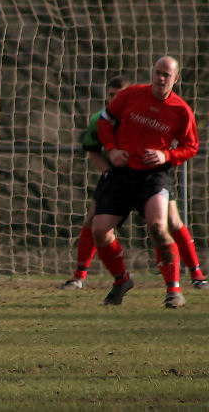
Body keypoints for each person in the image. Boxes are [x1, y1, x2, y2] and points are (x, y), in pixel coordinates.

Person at [62, 76, 207, 290]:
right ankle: (80, 276)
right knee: (94, 220)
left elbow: (186, 145)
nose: (116, 98)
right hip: (117, 175)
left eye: (120, 94)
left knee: (171, 222)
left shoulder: (145, 114)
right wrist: (110, 172)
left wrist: (164, 155)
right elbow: (93, 150)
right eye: (111, 95)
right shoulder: (100, 120)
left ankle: (196, 274)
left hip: (152, 175)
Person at [92, 56, 199, 308]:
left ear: (176, 79)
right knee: (99, 230)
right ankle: (122, 280)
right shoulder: (130, 95)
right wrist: (112, 149)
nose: (161, 78)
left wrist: (167, 155)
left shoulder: (181, 110)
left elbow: (191, 146)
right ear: (152, 73)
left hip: (154, 175)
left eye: (167, 75)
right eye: (158, 73)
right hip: (123, 171)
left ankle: (173, 289)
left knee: (158, 227)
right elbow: (104, 120)